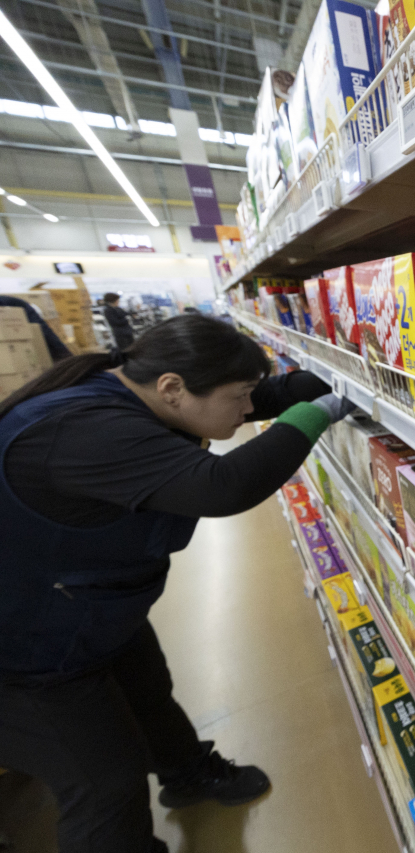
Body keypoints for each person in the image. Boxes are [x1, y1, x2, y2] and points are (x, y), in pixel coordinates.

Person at [0, 315, 354, 853]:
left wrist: (338, 380)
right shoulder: (82, 431)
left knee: (148, 690)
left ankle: (188, 773)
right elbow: (222, 487)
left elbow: (260, 396)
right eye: (239, 396)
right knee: (102, 783)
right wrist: (319, 412)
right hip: (25, 646)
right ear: (172, 388)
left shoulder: (144, 391)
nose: (246, 409)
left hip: (86, 602)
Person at [0, 294, 71, 361]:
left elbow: (47, 335)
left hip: (21, 311)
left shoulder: (14, 305)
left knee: (43, 334)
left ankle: (67, 362)